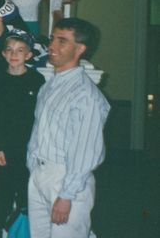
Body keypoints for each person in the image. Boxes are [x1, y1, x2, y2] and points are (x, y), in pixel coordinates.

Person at [27, 18, 110, 237]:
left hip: (66, 180)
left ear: (80, 49)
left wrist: (66, 195)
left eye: (62, 41)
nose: (52, 46)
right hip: (40, 174)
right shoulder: (48, 86)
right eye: (53, 39)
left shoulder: (86, 96)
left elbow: (85, 151)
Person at [0, 32, 45, 238]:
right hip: (6, 148)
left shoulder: (37, 81)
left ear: (28, 55)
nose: (14, 54)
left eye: (20, 51)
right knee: (3, 190)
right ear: (3, 54)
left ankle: (21, 229)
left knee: (26, 193)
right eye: (9, 50)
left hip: (29, 147)